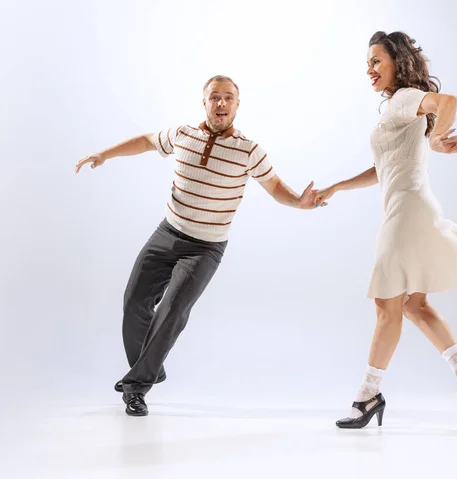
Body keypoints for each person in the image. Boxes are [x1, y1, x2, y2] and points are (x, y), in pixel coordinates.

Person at [75, 75, 324, 416]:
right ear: (204, 102)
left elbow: (275, 185)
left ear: (237, 105)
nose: (221, 103)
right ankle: (151, 367)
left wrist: (300, 202)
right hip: (167, 233)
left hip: (205, 248)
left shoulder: (249, 150)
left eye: (228, 98)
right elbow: (147, 141)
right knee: (134, 302)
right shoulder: (182, 135)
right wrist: (105, 154)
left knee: (171, 313)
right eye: (214, 97)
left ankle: (136, 387)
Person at [314, 32, 457, 428]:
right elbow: (383, 169)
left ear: (396, 62)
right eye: (367, 63)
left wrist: (437, 136)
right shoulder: (398, 108)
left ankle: (368, 395)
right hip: (411, 209)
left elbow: (450, 102)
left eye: (376, 61)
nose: (369, 69)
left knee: (388, 307)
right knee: (412, 304)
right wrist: (338, 185)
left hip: (406, 215)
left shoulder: (403, 98)